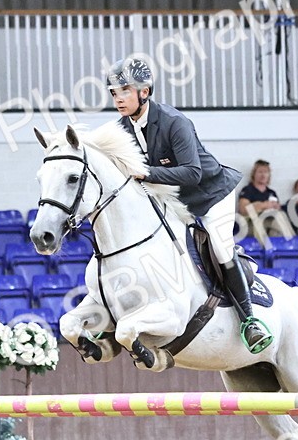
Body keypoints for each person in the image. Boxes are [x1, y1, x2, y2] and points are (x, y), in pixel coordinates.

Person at [106, 56, 273, 354]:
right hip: (175, 199)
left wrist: (147, 173)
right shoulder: (121, 129)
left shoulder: (174, 122)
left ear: (144, 92)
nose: (118, 98)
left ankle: (250, 320)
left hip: (210, 194)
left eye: (125, 91)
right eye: (114, 93)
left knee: (220, 248)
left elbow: (193, 172)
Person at [238, 159, 293, 246]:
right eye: (260, 172)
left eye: (266, 172)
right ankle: (271, 251)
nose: (263, 175)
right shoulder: (248, 190)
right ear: (254, 174)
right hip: (253, 224)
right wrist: (264, 205)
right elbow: (243, 210)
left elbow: (277, 209)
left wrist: (274, 207)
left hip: (270, 221)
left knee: (280, 219)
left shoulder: (271, 192)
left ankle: (289, 248)